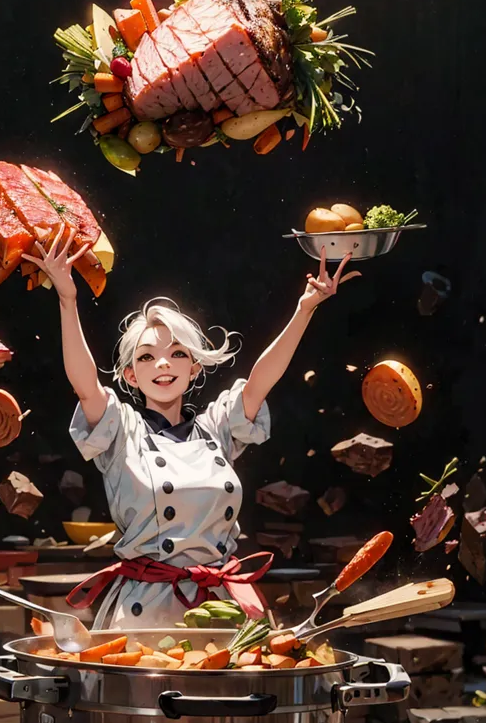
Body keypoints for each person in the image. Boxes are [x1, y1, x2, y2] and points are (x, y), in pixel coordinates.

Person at [27, 227, 360, 629]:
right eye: (147, 358)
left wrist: (306, 308)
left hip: (221, 606)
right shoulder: (121, 429)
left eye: (177, 354)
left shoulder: (217, 427)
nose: (163, 364)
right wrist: (68, 298)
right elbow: (84, 383)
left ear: (194, 367)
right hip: (145, 612)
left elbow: (260, 380)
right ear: (131, 376)